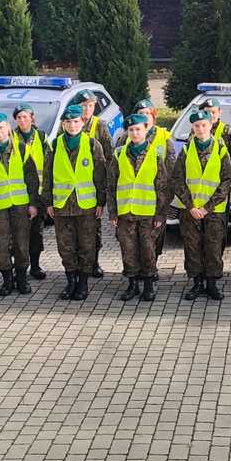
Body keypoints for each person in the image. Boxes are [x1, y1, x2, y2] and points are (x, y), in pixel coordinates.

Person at [44, 104, 106, 301]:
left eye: (76, 121)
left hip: (86, 206)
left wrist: (100, 202)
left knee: (86, 245)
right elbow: (48, 175)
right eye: (68, 122)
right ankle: (70, 281)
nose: (72, 125)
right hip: (62, 205)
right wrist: (48, 202)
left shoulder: (92, 144)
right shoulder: (55, 145)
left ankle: (83, 283)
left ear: (82, 122)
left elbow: (100, 175)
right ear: (63, 124)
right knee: (66, 245)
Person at [108, 113, 173, 302]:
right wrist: (112, 211)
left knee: (148, 250)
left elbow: (163, 186)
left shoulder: (155, 154)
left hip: (148, 213)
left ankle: (148, 285)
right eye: (131, 130)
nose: (135, 133)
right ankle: (132, 284)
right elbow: (111, 184)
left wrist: (161, 214)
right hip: (125, 212)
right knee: (128, 250)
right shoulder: (119, 153)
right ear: (127, 132)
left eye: (138, 129)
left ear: (146, 130)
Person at [0, 114, 40, 298]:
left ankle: (22, 279)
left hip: (20, 206)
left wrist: (33, 203)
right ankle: (7, 281)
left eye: (2, 127)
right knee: (2, 246)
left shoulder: (21, 148)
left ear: (9, 128)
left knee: (21, 244)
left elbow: (32, 178)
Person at [173, 110, 231, 300]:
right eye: (197, 126)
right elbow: (177, 179)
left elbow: (227, 180)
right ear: (193, 128)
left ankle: (212, 284)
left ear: (210, 126)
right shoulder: (185, 150)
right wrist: (191, 206)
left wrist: (207, 207)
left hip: (214, 211)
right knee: (192, 247)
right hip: (190, 211)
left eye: (204, 125)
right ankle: (197, 283)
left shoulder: (221, 149)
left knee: (213, 247)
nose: (200, 129)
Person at [75, 89, 114, 279]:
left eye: (90, 105)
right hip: (74, 188)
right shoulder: (68, 123)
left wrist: (104, 187)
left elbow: (109, 155)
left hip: (93, 184)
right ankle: (78, 265)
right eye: (84, 106)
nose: (87, 109)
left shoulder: (100, 126)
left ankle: (94, 262)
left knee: (94, 227)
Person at [12, 104, 50, 280]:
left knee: (36, 233)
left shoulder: (42, 137)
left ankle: (35, 266)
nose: (22, 120)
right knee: (17, 234)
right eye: (19, 117)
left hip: (39, 195)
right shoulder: (10, 138)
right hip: (17, 195)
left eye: (25, 117)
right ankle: (18, 267)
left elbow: (50, 164)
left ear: (32, 118)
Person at [199, 97, 231, 161]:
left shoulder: (228, 132)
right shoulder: (196, 130)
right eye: (207, 112)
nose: (211, 115)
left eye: (213, 112)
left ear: (219, 112)